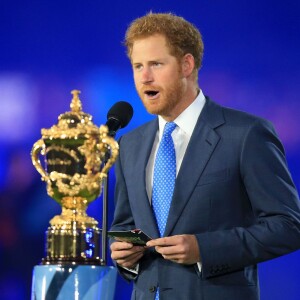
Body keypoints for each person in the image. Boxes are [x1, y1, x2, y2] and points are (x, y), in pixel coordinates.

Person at [109, 12, 300, 300]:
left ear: (187, 64)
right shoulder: (130, 144)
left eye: (156, 64)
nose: (144, 77)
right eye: (137, 66)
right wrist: (125, 256)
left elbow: (288, 226)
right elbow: (125, 226)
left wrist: (204, 249)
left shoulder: (246, 134)